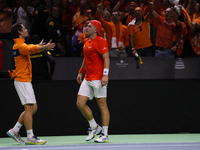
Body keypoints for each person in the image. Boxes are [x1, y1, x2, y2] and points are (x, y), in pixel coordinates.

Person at [6, 22, 55, 145]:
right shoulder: (19, 45)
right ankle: (30, 137)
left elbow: (28, 49)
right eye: (24, 28)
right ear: (20, 33)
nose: (26, 30)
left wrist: (38, 46)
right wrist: (43, 47)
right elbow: (29, 49)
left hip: (25, 80)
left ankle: (15, 129)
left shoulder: (20, 45)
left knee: (33, 108)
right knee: (29, 108)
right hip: (22, 81)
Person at [76, 20, 110, 143]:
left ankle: (105, 134)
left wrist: (105, 75)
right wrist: (81, 71)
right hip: (88, 78)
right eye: (86, 26)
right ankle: (94, 126)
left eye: (89, 26)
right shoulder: (86, 41)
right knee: (80, 103)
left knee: (102, 106)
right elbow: (86, 58)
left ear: (96, 30)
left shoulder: (101, 41)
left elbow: (106, 58)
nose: (86, 28)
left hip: (99, 79)